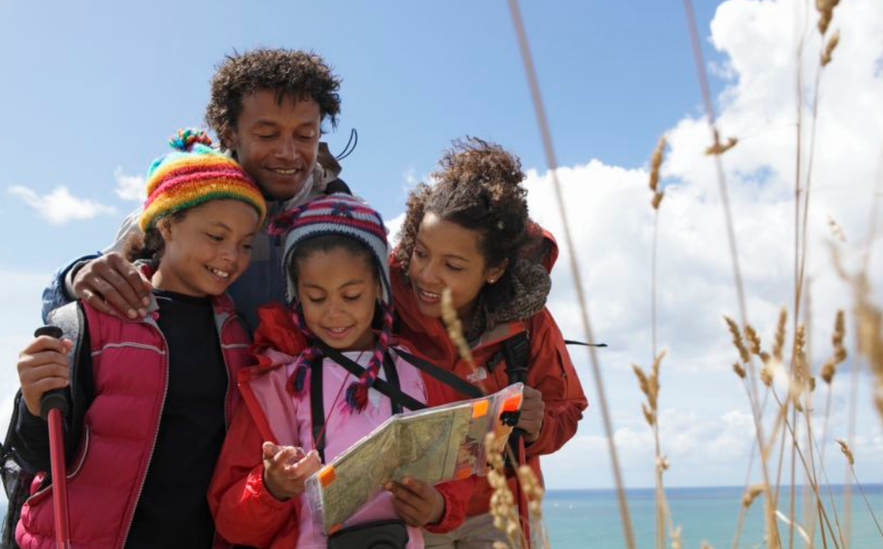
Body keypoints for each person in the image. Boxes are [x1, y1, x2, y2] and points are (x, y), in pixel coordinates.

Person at [12, 130, 265, 549]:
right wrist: (33, 401)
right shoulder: (93, 316)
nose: (231, 257)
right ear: (166, 225)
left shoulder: (239, 336)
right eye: (216, 237)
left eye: (245, 245)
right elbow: (37, 455)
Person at [209, 193, 472, 549]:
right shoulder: (274, 385)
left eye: (351, 296)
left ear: (379, 288)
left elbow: (457, 478)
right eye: (316, 297)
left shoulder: (418, 374)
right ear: (295, 295)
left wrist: (437, 506)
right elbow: (231, 522)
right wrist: (271, 488)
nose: (333, 314)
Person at [41, 48, 347, 330]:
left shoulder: (342, 213)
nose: (288, 153)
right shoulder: (184, 202)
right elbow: (66, 303)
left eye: (305, 135)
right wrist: (76, 276)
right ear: (229, 135)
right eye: (267, 134)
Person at [391, 137, 588, 548]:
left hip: (497, 512)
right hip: (413, 510)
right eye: (421, 253)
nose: (427, 276)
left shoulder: (526, 322)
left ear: (494, 270)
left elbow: (568, 408)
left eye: (453, 265)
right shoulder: (380, 304)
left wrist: (539, 425)